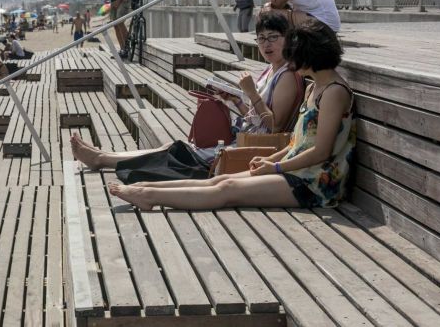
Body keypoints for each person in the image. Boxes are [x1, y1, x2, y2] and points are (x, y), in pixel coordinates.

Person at [97, 20, 355, 211]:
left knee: (227, 190)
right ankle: (145, 189)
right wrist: (270, 161)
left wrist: (275, 166)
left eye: (294, 55)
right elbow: (296, 143)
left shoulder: (334, 92)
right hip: (297, 169)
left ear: (308, 55)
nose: (291, 61)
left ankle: (150, 197)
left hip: (315, 183)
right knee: (222, 179)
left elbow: (321, 152)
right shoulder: (315, 86)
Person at [72, 13, 304, 183]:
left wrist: (251, 93)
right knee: (172, 146)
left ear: (288, 39)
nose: (266, 44)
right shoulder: (271, 70)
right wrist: (236, 101)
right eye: (261, 39)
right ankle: (104, 156)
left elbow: (275, 127)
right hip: (244, 138)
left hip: (251, 149)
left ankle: (102, 159)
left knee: (175, 150)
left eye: (273, 37)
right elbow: (258, 119)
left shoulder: (287, 75)